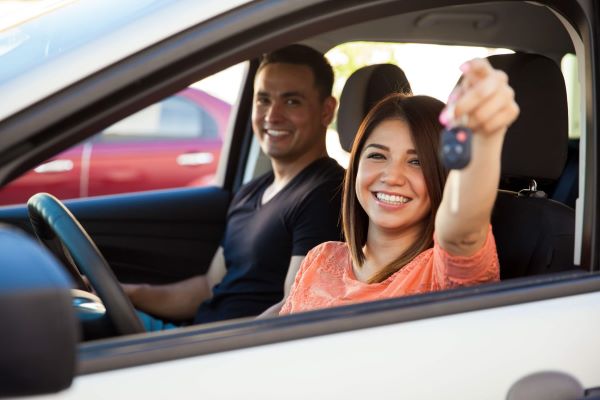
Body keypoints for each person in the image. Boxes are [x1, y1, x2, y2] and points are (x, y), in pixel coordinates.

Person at [123, 44, 344, 329]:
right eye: (263, 100)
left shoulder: (325, 195)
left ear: (327, 111)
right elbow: (208, 287)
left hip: (228, 354)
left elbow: (292, 310)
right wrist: (130, 293)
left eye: (291, 102)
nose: (272, 116)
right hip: (199, 337)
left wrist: (208, 348)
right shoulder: (252, 190)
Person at [277, 58, 519, 315]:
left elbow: (461, 232)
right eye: (377, 156)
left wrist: (484, 140)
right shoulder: (321, 259)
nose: (392, 176)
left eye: (416, 162)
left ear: (442, 176)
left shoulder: (441, 273)